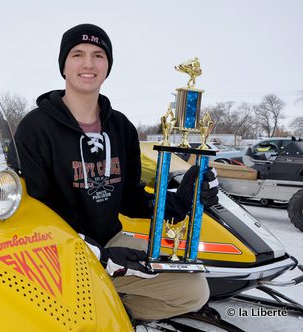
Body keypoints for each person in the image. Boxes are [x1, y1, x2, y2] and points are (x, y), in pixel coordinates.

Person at [13, 23, 219, 321]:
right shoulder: (34, 128)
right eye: (77, 54)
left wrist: (180, 201)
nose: (88, 63)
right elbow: (32, 209)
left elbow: (130, 197)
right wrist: (94, 254)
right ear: (63, 65)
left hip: (111, 241)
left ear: (108, 65)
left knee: (193, 290)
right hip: (57, 248)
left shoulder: (121, 127)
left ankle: (111, 316)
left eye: (98, 55)